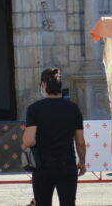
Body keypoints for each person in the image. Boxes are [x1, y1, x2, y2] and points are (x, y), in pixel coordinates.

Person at [22, 68, 86, 206]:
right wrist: (82, 161)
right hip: (67, 165)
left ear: (43, 85)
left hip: (42, 167)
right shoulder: (73, 108)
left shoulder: (34, 109)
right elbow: (80, 141)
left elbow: (29, 140)